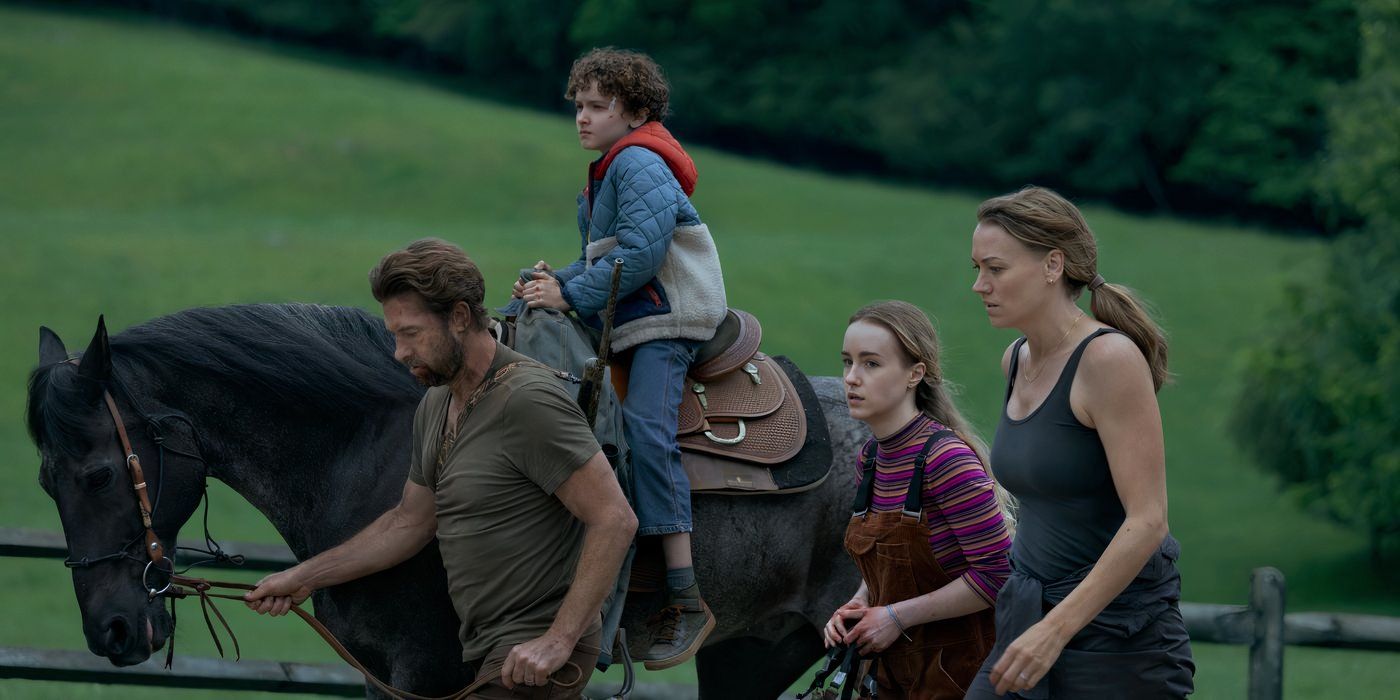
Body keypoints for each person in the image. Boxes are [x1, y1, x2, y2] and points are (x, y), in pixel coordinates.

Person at [245, 239, 638, 698]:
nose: (399, 352)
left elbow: (614, 518)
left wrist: (558, 640)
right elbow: (408, 523)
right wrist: (301, 579)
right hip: (484, 651)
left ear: (459, 317)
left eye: (411, 333)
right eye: (395, 335)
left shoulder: (528, 400)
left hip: (531, 655)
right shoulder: (436, 403)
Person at [511, 47, 726, 669]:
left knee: (646, 432)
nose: (582, 117)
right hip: (634, 315)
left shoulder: (637, 161)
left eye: (597, 106)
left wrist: (571, 291)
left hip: (666, 319)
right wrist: (549, 281)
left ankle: (685, 595)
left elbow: (641, 252)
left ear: (634, 112)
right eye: (578, 105)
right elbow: (608, 255)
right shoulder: (612, 166)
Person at [964, 187, 1195, 698]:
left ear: (1052, 265)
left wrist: (1055, 630)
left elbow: (1149, 520)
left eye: (996, 269)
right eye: (977, 268)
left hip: (1118, 639)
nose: (980, 285)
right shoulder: (1015, 360)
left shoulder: (1108, 360)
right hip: (1027, 619)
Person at [823, 300, 1013, 699]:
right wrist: (859, 605)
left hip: (965, 677)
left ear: (915, 374)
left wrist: (895, 616)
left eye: (871, 364)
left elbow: (998, 575)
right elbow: (888, 565)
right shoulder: (870, 459)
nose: (852, 378)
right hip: (897, 677)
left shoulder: (946, 459)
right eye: (847, 362)